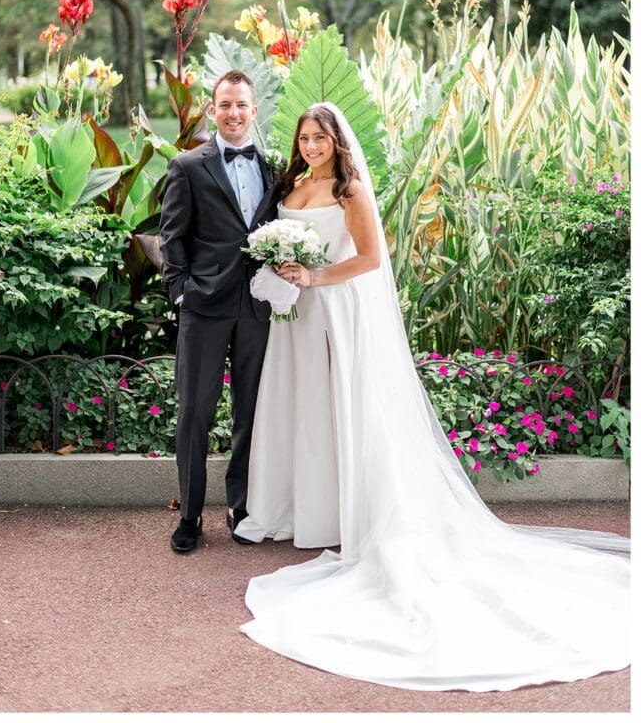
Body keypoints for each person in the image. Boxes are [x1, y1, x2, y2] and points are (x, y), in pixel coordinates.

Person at [234, 102, 630, 692]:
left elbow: (370, 260)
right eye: (305, 137)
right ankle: (301, 510)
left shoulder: (351, 189)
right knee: (305, 414)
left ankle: (350, 514)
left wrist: (315, 277)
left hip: (337, 313)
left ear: (337, 141)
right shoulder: (291, 182)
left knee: (343, 415)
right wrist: (281, 270)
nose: (312, 145)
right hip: (296, 316)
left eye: (320, 138)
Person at [159, 70, 281, 554]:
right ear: (213, 110)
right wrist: (182, 292)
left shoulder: (272, 168)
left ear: (254, 110)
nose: (233, 113)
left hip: (257, 306)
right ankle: (189, 515)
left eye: (242, 105)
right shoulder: (188, 166)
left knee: (251, 412)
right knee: (194, 412)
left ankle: (241, 507)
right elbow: (171, 237)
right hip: (204, 306)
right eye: (225, 105)